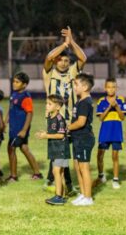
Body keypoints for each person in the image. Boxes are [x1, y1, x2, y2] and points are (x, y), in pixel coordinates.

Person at [42, 26, 87, 195]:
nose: (63, 62)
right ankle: (64, 183)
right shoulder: (49, 72)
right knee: (59, 153)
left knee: (66, 154)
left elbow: (83, 57)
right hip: (54, 120)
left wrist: (72, 42)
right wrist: (63, 45)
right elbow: (49, 57)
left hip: (72, 120)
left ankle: (59, 182)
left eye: (66, 60)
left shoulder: (73, 72)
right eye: (60, 60)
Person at [6, 72, 42, 182]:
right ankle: (37, 173)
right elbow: (10, 109)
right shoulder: (14, 94)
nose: (14, 84)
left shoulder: (25, 97)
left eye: (17, 82)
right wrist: (4, 122)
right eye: (14, 81)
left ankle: (14, 176)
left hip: (20, 129)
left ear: (24, 84)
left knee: (12, 149)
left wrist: (24, 130)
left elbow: (30, 113)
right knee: (23, 148)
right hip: (13, 128)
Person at [35, 95, 70, 205]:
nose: (46, 106)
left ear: (58, 107)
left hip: (61, 149)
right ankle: (62, 195)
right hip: (55, 150)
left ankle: (58, 197)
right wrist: (44, 133)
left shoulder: (60, 119)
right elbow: (52, 133)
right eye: (47, 103)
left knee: (56, 172)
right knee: (60, 173)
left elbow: (60, 135)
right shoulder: (50, 117)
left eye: (49, 104)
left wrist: (46, 136)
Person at [94, 78, 126, 189]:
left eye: (113, 87)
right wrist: (109, 107)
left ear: (116, 88)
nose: (111, 89)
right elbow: (101, 118)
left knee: (115, 156)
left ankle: (115, 179)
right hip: (105, 132)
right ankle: (101, 175)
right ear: (105, 88)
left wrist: (117, 106)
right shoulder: (101, 101)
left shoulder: (121, 100)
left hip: (116, 131)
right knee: (100, 155)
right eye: (108, 87)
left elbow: (122, 118)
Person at [68, 73, 95, 206]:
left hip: (84, 138)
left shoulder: (85, 102)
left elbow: (81, 122)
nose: (74, 87)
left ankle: (88, 197)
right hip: (77, 138)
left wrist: (67, 128)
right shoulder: (79, 101)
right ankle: (83, 194)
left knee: (84, 168)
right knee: (77, 167)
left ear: (85, 87)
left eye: (76, 84)